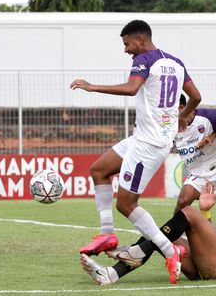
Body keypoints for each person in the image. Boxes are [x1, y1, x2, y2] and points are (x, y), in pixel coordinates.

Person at [70, 19, 201, 284]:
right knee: (99, 169)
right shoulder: (176, 62)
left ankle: (169, 249)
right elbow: (196, 96)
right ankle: (107, 233)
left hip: (148, 144)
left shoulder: (144, 58)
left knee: (126, 203)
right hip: (143, 138)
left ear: (140, 39)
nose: (127, 50)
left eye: (127, 44)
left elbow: (131, 89)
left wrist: (92, 86)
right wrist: (182, 116)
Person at [80, 177, 216, 285]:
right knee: (164, 236)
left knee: (187, 211)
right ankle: (112, 274)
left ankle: (135, 253)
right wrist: (206, 212)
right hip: (210, 261)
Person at [173, 94, 216, 212]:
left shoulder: (207, 116)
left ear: (181, 108)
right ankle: (173, 231)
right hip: (197, 173)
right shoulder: (169, 127)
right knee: (182, 201)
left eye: (169, 109)